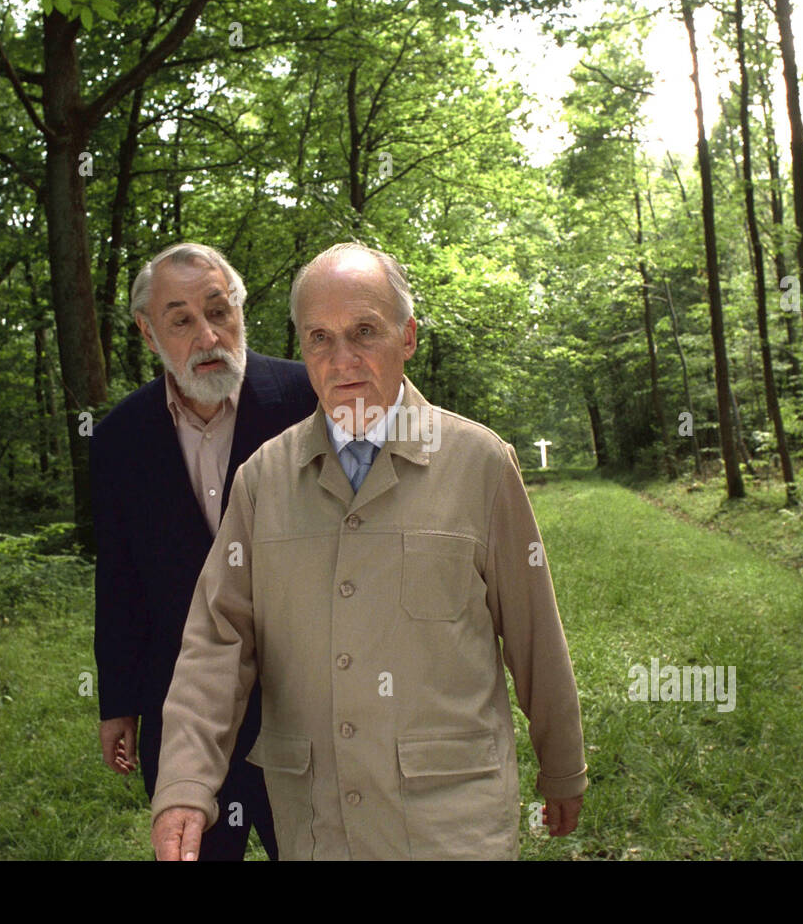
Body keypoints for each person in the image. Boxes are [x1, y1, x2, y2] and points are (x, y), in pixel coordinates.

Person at [150, 242, 587, 860]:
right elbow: (215, 643)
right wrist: (186, 783)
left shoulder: (478, 464)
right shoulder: (263, 481)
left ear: (407, 337)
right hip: (317, 826)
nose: (342, 360)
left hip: (450, 823)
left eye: (364, 332)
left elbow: (534, 632)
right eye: (319, 338)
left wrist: (562, 766)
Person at [91, 243, 317, 860]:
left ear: (243, 308)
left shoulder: (310, 400)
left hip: (305, 702)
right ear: (147, 331)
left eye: (221, 311)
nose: (209, 335)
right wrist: (120, 702)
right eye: (182, 320)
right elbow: (118, 581)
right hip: (182, 705)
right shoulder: (119, 440)